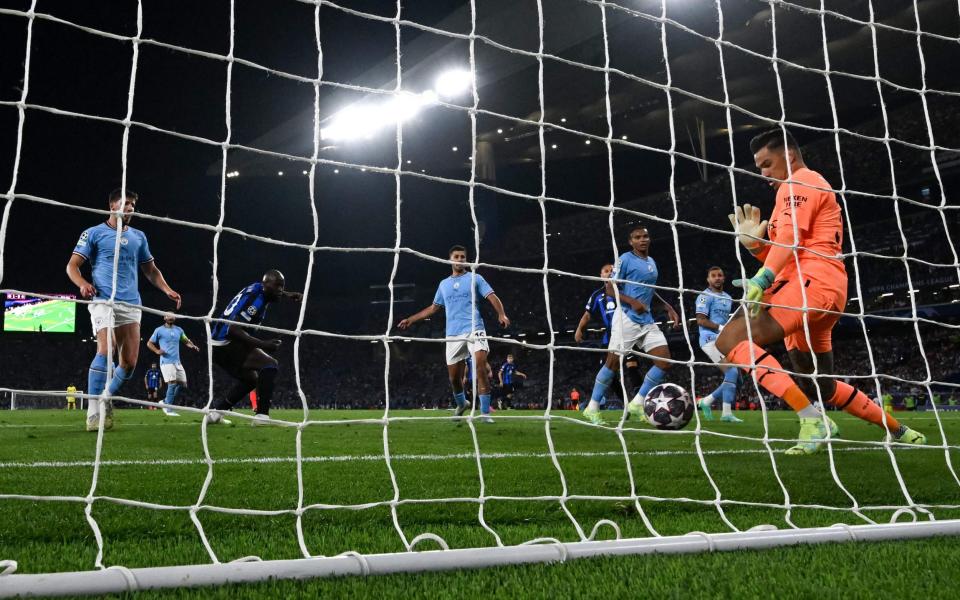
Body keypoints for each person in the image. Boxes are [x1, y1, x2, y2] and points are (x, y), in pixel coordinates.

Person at [716, 127, 925, 455]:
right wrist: (756, 247)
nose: (763, 173)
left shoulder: (799, 183)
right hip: (821, 288)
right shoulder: (800, 189)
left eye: (767, 164)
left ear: (789, 155)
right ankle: (900, 430)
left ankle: (813, 420)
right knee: (821, 385)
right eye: (759, 167)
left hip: (811, 284)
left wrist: (761, 277)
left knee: (729, 341)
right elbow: (789, 250)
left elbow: (791, 241)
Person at [67, 188, 181, 431]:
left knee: (128, 363)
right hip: (103, 299)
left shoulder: (139, 237)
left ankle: (106, 398)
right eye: (126, 203)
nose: (130, 208)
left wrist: (167, 290)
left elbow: (151, 270)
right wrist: (83, 284)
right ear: (112, 206)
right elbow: (72, 266)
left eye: (132, 204)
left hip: (131, 303)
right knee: (106, 350)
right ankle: (93, 409)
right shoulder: (93, 233)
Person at [398, 245, 510, 423]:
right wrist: (411, 319)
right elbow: (433, 308)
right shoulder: (443, 284)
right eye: (456, 257)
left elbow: (492, 296)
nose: (460, 260)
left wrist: (501, 314)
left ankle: (485, 413)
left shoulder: (475, 278)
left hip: (475, 328)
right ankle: (461, 404)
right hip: (453, 334)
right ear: (450, 259)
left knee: (480, 368)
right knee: (454, 378)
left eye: (463, 257)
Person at [583, 226, 681, 425]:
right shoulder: (625, 259)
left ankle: (637, 402)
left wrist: (667, 306)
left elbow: (650, 290)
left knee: (664, 362)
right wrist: (631, 302)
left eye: (645, 236)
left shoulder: (651, 262)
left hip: (647, 320)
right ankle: (592, 407)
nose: (642, 240)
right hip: (626, 318)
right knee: (612, 364)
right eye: (638, 237)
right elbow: (610, 289)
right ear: (631, 242)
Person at [207, 270, 302, 425]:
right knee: (269, 364)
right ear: (266, 286)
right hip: (225, 344)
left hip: (217, 343)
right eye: (278, 286)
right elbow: (233, 329)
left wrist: (287, 294)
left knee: (250, 379)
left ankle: (216, 414)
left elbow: (271, 289)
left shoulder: (258, 288)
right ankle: (262, 417)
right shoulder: (256, 302)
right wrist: (264, 344)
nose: (280, 290)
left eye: (282, 286)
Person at [575, 263, 643, 409]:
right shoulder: (597, 295)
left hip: (628, 333)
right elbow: (587, 315)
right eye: (606, 271)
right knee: (609, 373)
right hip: (610, 337)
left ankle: (639, 402)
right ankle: (626, 403)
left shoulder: (625, 289)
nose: (609, 273)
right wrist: (579, 329)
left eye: (612, 270)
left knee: (632, 364)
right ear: (601, 276)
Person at [694, 266, 743, 423]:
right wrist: (720, 328)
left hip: (724, 340)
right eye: (713, 276)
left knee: (738, 380)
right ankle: (726, 414)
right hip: (709, 339)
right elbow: (701, 320)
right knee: (732, 373)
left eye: (720, 275)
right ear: (708, 279)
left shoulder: (728, 297)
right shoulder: (704, 296)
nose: (717, 278)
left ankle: (706, 401)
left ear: (724, 278)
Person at [147, 312, 200, 417]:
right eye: (168, 315)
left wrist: (193, 345)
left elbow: (185, 340)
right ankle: (168, 409)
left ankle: (165, 402)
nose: (171, 317)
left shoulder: (179, 330)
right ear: (164, 317)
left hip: (177, 362)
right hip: (166, 361)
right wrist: (157, 351)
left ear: (175, 318)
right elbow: (149, 343)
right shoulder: (159, 330)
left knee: (183, 384)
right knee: (172, 383)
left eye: (172, 315)